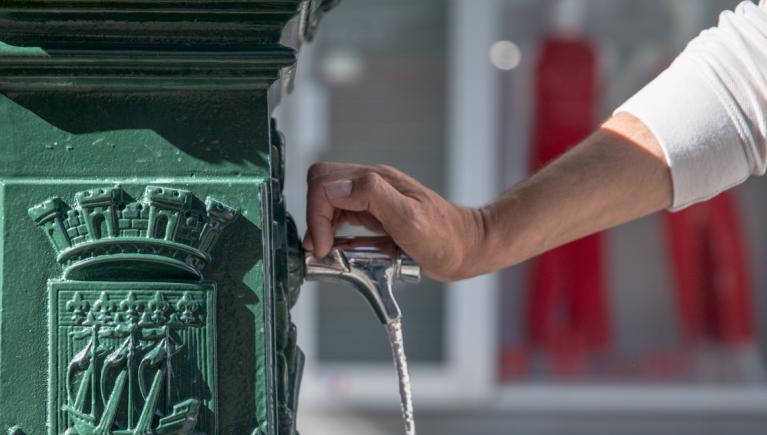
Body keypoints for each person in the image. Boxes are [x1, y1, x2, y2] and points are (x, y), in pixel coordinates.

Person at [304, 1, 767, 282]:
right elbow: (743, 81)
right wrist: (477, 236)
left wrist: (480, 236)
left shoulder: (592, 52)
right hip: (558, 152)